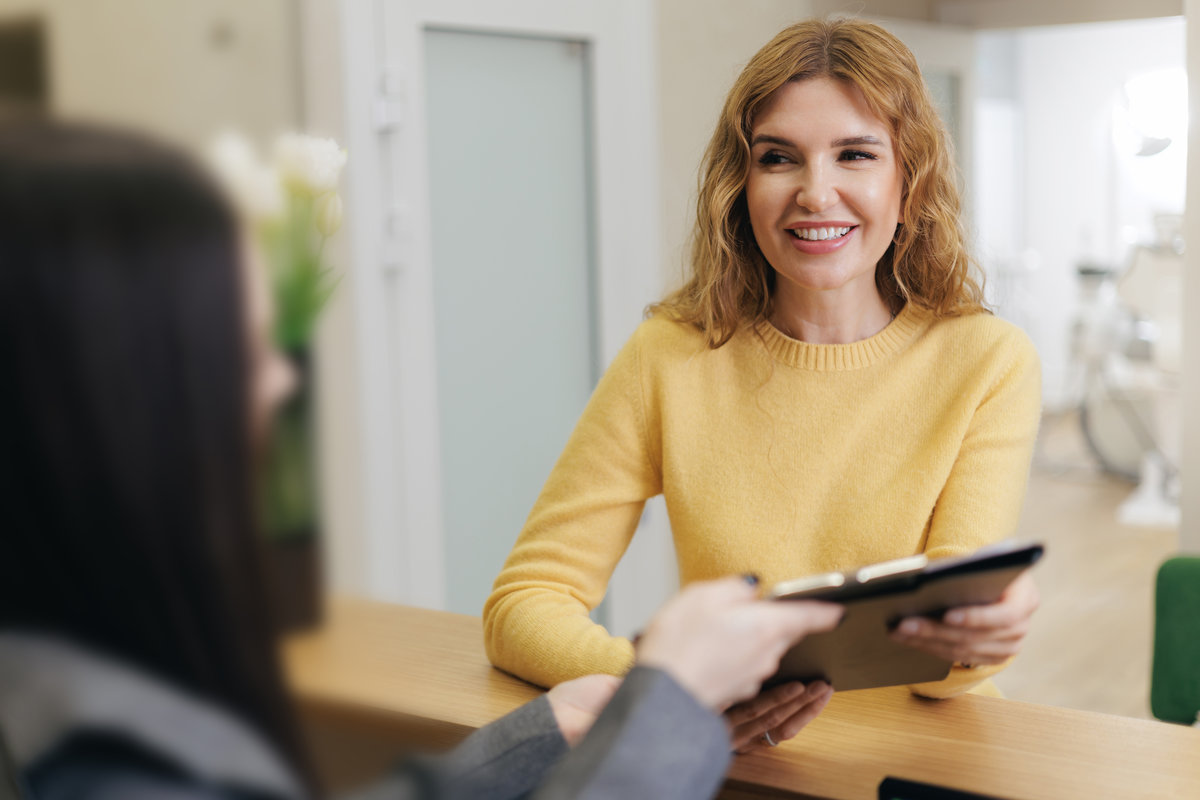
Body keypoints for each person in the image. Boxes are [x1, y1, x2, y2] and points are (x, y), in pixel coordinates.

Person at [0, 121, 843, 800]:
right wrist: (663, 701)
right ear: (106, 399)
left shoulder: (70, 679)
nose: (276, 387)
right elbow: (529, 598)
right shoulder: (109, 752)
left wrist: (549, 734)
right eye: (240, 350)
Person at [484, 16, 1043, 752]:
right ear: (739, 187)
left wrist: (983, 634)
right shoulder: (671, 355)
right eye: (779, 158)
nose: (816, 193)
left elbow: (939, 661)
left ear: (910, 182)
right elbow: (524, 603)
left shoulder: (986, 360)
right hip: (726, 765)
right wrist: (675, 691)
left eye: (855, 155)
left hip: (921, 762)